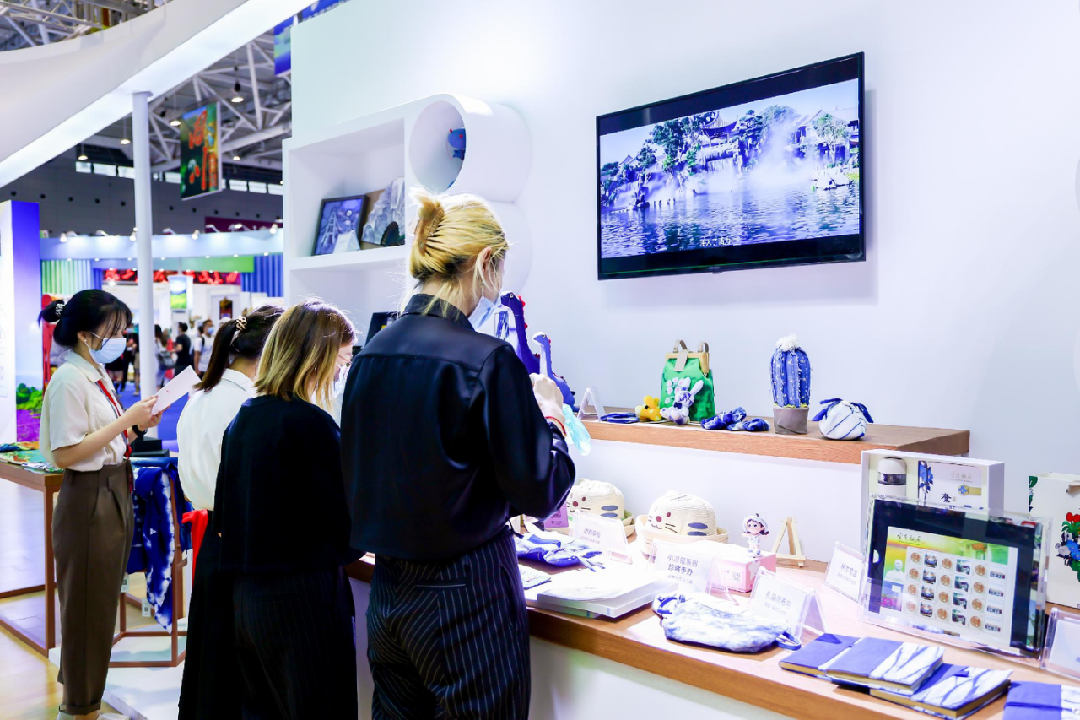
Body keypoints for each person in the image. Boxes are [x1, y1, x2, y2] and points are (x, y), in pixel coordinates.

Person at [341, 190, 575, 719]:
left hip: (389, 591)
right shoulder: (487, 359)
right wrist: (552, 417)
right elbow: (539, 490)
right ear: (486, 262)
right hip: (466, 595)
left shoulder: (369, 356)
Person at [212, 299, 360, 718]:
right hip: (302, 600)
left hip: (249, 600)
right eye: (342, 360)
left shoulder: (246, 417)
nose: (341, 371)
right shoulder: (309, 423)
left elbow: (224, 515)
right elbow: (343, 526)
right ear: (317, 356)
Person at [38, 290, 163, 720]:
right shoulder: (69, 380)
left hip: (111, 487)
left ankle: (82, 698)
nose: (122, 337)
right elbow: (66, 453)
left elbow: (106, 440)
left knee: (100, 602)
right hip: (89, 495)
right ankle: (79, 708)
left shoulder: (95, 373)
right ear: (86, 334)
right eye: (115, 330)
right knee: (88, 606)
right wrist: (127, 421)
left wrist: (136, 428)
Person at [176, 305, 283, 720]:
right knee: (240, 670)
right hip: (240, 541)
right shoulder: (248, 404)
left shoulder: (202, 395)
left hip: (214, 542)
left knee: (212, 661)